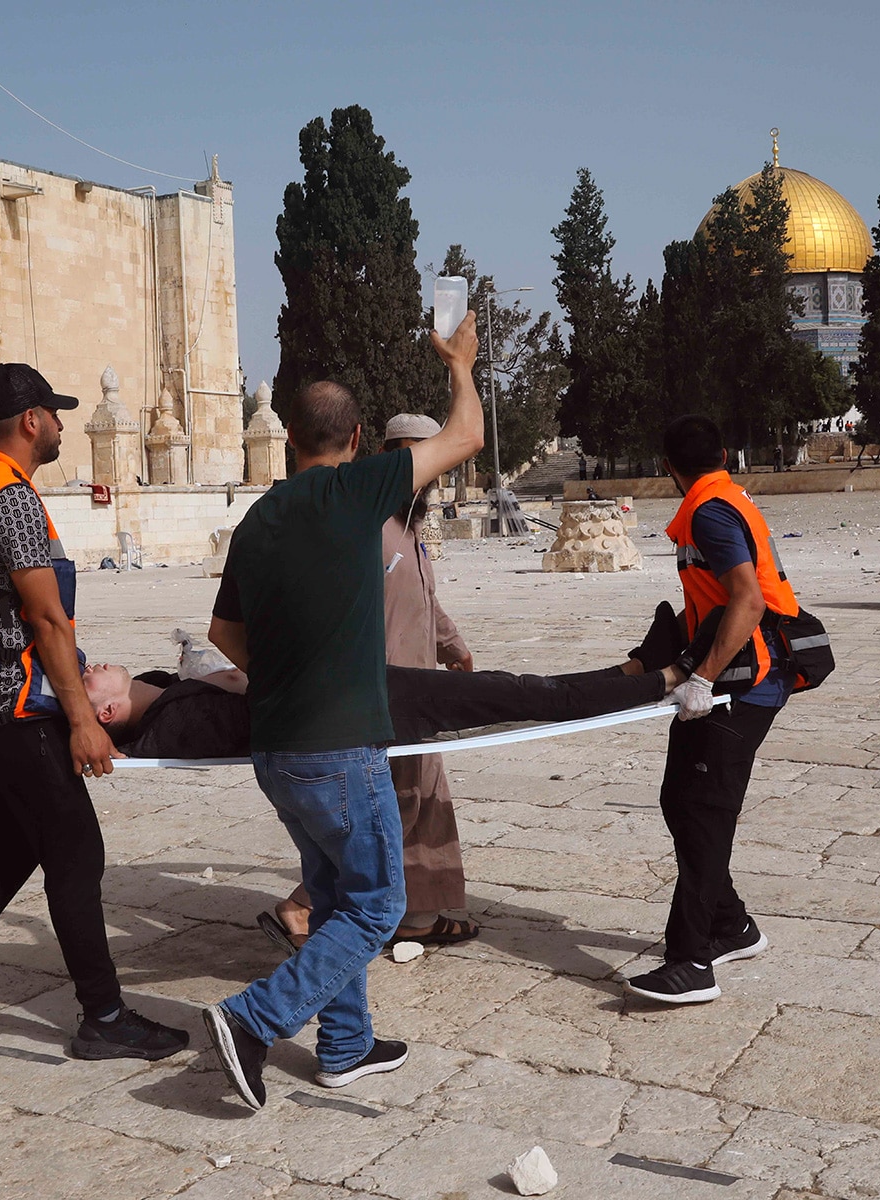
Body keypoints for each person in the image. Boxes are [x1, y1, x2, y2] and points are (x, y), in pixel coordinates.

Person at [199, 314, 484, 1110]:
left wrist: (285, 674)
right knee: (379, 905)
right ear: (358, 438)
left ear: (290, 439)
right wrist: (457, 363)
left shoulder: (260, 519)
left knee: (332, 896)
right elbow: (466, 435)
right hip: (340, 747)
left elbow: (224, 632)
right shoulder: (361, 491)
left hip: (277, 750)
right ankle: (254, 1021)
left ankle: (347, 1043)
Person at [0, 363, 188, 1063]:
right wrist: (82, 721)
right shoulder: (11, 500)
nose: (62, 425)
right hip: (12, 713)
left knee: (9, 852)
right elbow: (47, 620)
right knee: (76, 851)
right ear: (29, 422)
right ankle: (103, 1018)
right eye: (54, 413)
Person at [267, 413, 478, 953]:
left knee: (421, 797)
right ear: (383, 455)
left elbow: (424, 601)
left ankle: (414, 917)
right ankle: (303, 906)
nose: (420, 472)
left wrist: (452, 647)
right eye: (408, 456)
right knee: (390, 807)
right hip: (376, 696)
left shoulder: (407, 526)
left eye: (425, 458)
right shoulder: (366, 524)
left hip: (415, 687)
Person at [621, 414, 801, 1006]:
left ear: (667, 467)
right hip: (732, 676)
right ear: (724, 453)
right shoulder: (724, 497)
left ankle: (691, 962)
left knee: (703, 813)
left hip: (741, 684)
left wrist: (700, 678)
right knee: (681, 797)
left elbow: (748, 600)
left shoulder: (710, 511)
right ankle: (732, 925)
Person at [81, 656, 684, 763]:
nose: (88, 668)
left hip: (356, 687)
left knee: (521, 688)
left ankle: (631, 672)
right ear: (107, 713)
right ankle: (664, 676)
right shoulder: (172, 723)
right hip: (363, 708)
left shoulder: (163, 690)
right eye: (87, 682)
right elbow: (261, 708)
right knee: (525, 695)